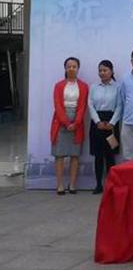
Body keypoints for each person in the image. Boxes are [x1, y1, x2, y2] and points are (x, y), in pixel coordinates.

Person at [51, 57, 89, 195]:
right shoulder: (58, 85)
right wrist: (66, 123)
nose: (71, 69)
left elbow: (83, 106)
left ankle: (72, 184)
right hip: (60, 121)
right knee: (59, 155)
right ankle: (60, 185)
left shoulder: (84, 86)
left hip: (77, 122)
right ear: (65, 68)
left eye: (74, 66)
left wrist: (76, 122)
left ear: (78, 68)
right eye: (69, 66)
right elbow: (57, 105)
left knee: (75, 155)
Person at [88, 60, 122, 194]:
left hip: (111, 124)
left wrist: (112, 123)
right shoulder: (94, 87)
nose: (102, 73)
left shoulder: (118, 87)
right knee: (98, 155)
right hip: (97, 123)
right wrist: (97, 121)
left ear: (111, 71)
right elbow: (90, 105)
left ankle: (110, 185)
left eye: (105, 70)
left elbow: (119, 106)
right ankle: (98, 185)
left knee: (110, 155)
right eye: (100, 70)